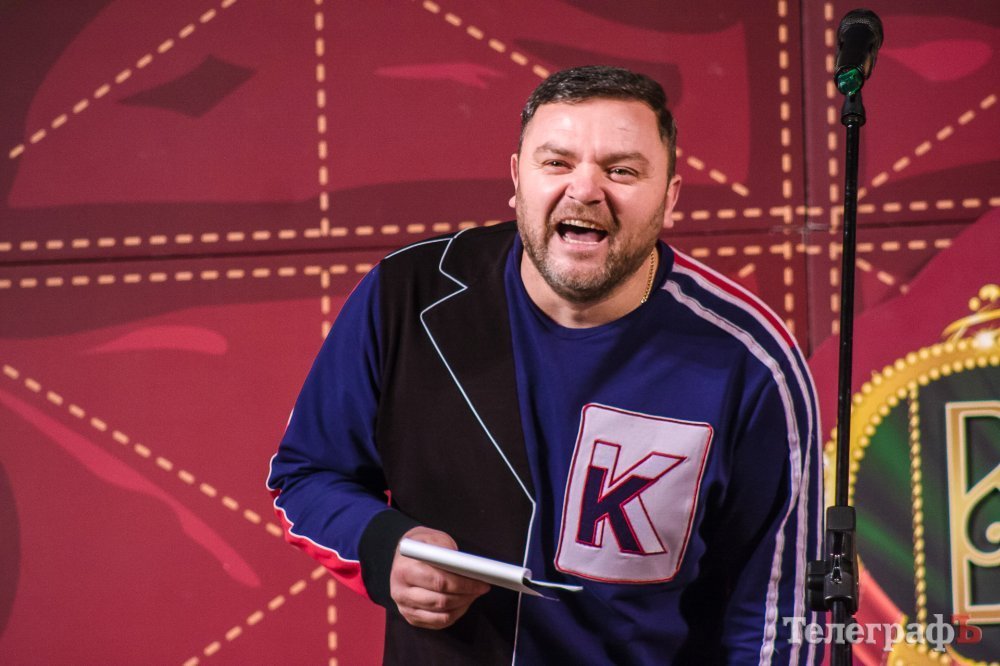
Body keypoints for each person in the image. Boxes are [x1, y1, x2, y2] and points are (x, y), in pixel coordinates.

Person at [267, 65, 824, 664]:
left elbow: (780, 615)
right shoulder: (407, 297)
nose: (585, 190)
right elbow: (306, 475)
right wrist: (384, 547)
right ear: (517, 179)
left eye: (622, 170)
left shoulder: (750, 360)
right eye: (556, 163)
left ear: (669, 196)